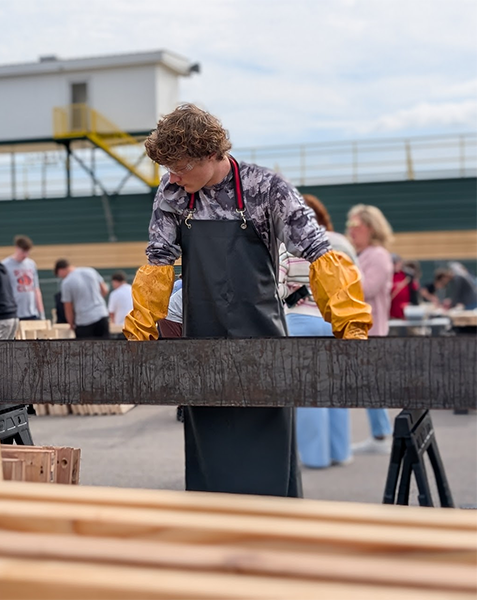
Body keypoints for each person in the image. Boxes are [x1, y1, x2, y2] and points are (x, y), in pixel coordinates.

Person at [123, 103, 372, 497]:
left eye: (181, 166)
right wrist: (140, 333)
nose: (172, 176)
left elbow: (319, 252)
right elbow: (159, 263)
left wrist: (350, 326)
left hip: (263, 348)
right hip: (200, 351)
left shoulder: (266, 188)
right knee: (211, 467)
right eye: (167, 169)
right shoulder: (172, 193)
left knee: (268, 472)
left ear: (210, 154)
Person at [278, 194, 356, 469]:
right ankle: (340, 451)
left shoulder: (288, 246)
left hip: (301, 318)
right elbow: (355, 282)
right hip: (334, 320)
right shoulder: (340, 243)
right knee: (335, 389)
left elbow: (276, 288)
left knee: (309, 391)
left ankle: (315, 457)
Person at [346, 205, 394, 455]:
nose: (351, 231)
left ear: (371, 228)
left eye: (357, 226)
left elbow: (366, 289)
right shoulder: (362, 254)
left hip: (371, 330)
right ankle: (380, 434)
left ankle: (381, 435)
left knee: (371, 384)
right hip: (363, 329)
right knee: (369, 384)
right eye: (350, 225)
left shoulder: (377, 255)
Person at [54, 259, 109, 338]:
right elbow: (104, 290)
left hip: (84, 320)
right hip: (101, 315)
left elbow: (68, 306)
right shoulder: (91, 271)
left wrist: (71, 323)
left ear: (60, 270)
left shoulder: (66, 282)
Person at [2, 235, 45, 320]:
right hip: (15, 313)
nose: (25, 255)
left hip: (32, 312)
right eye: (23, 251)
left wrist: (41, 313)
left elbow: (36, 290)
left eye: (27, 252)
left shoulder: (31, 264)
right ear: (16, 248)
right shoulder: (5, 265)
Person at [390, 255, 419, 319]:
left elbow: (414, 293)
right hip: (391, 312)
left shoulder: (407, 275)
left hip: (405, 312)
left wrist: (412, 305)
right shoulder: (388, 275)